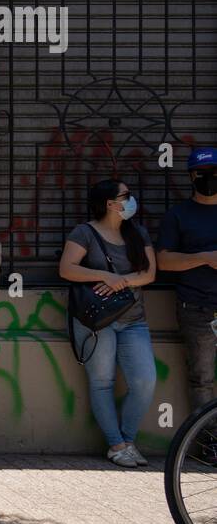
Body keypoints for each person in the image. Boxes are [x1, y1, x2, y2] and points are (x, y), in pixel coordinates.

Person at [60, 179, 158, 467]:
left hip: (133, 320)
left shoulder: (137, 233)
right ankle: (116, 446)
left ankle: (127, 440)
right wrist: (103, 276)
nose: (130, 201)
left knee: (144, 381)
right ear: (109, 204)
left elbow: (149, 274)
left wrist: (121, 280)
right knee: (102, 383)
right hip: (96, 321)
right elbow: (67, 268)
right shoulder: (85, 232)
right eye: (125, 196)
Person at [157, 147, 217, 412]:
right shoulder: (178, 215)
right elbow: (164, 261)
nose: (208, 178)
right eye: (202, 173)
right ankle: (209, 444)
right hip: (196, 307)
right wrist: (206, 257)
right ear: (191, 176)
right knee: (202, 378)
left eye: (214, 172)